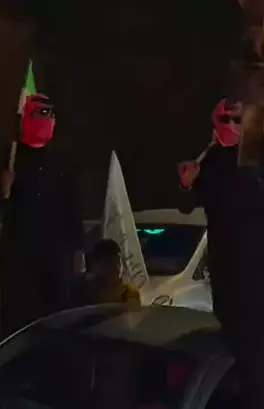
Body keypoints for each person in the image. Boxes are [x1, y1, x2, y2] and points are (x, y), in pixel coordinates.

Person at [178, 98, 264, 409]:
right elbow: (188, 205)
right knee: (232, 343)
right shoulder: (210, 161)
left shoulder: (256, 157)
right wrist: (186, 184)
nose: (230, 125)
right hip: (226, 269)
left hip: (256, 269)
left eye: (237, 119)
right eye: (224, 119)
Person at [0, 89, 85, 340]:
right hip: (20, 258)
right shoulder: (12, 157)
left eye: (51, 114)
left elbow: (73, 205)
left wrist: (78, 249)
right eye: (42, 113)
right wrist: (3, 189)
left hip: (54, 257)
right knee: (19, 322)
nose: (48, 118)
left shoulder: (62, 160)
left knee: (56, 321)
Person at [74, 239, 140, 307]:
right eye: (109, 263)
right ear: (96, 264)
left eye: (118, 261)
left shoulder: (130, 294)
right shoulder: (85, 293)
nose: (117, 268)